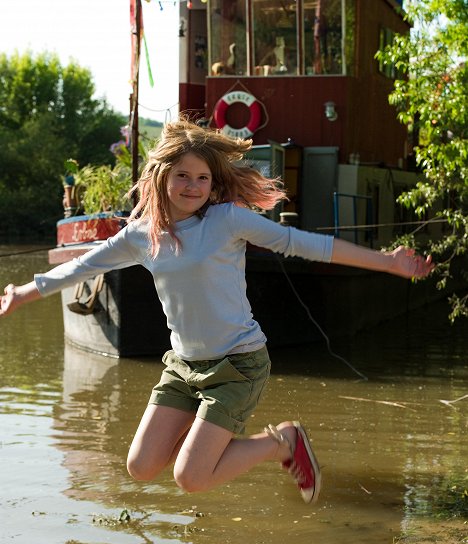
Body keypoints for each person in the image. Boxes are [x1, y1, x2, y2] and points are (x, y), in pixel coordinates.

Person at [0, 119, 434, 505]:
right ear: (161, 177)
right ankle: (207, 439)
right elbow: (81, 266)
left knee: (190, 478)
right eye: (183, 175)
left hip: (238, 364)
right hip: (183, 367)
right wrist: (21, 293)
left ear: (213, 184)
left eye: (203, 178)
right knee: (140, 466)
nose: (193, 186)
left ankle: (282, 442)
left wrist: (388, 262)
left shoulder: (227, 220)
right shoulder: (140, 236)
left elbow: (309, 245)